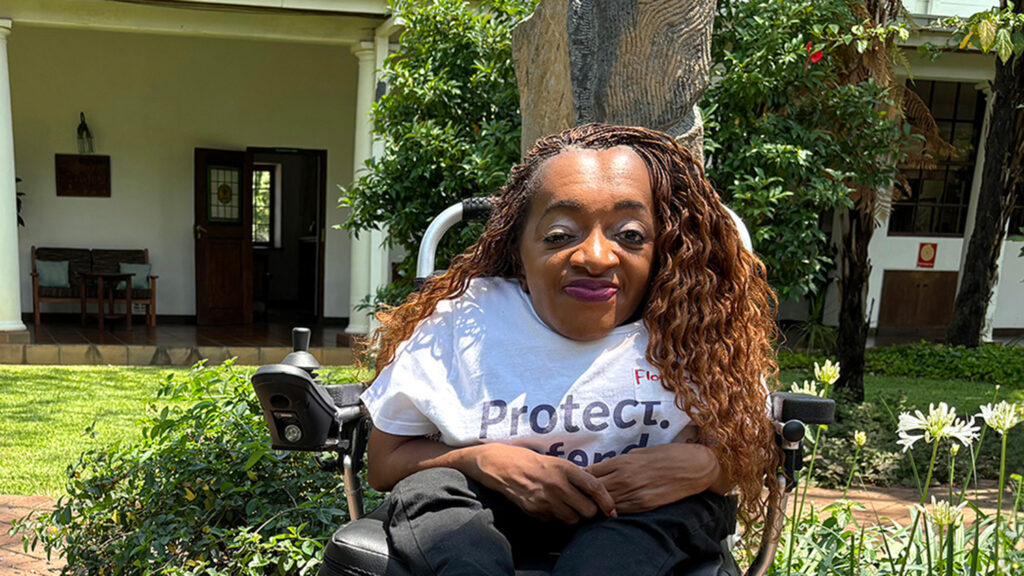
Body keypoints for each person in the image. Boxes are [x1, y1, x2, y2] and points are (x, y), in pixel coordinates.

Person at [360, 123, 779, 575]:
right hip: (488, 512)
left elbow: (753, 452)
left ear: (662, 249)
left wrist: (706, 466)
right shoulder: (464, 323)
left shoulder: (696, 328)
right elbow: (384, 463)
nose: (596, 257)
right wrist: (481, 459)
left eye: (630, 235)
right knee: (437, 495)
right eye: (560, 235)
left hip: (648, 517)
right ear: (518, 248)